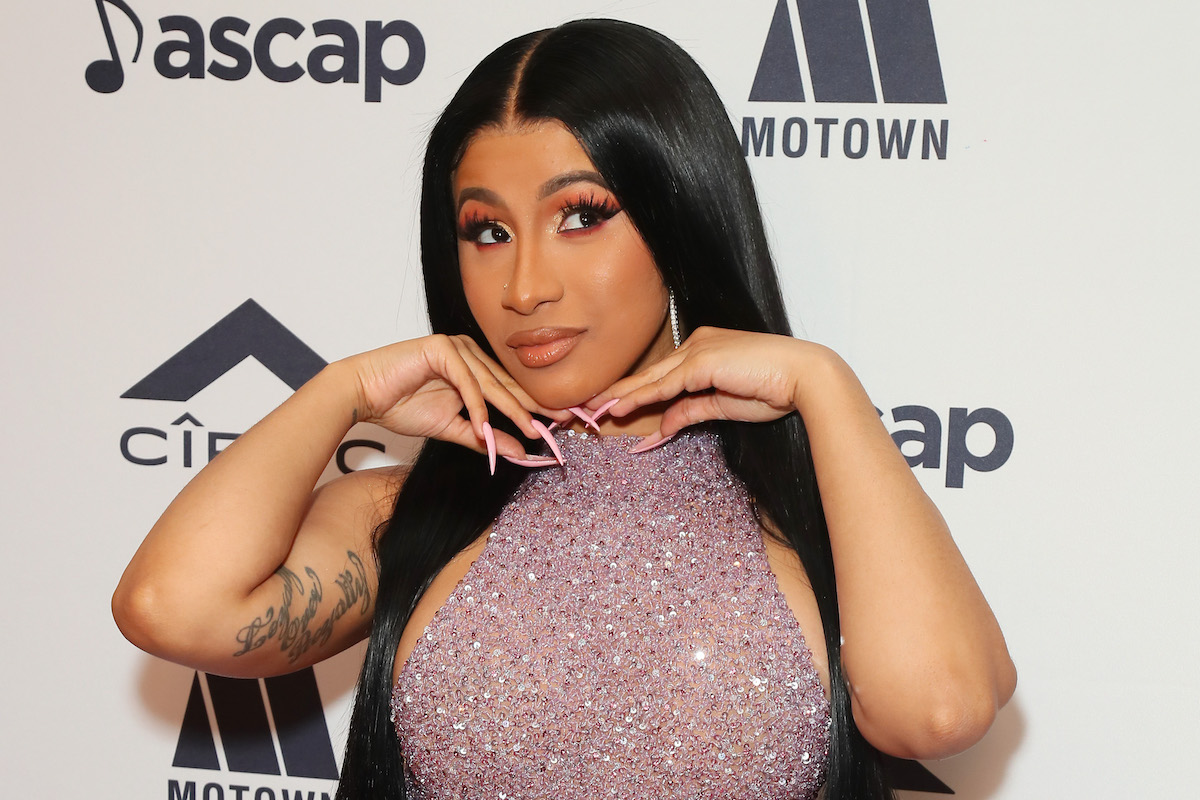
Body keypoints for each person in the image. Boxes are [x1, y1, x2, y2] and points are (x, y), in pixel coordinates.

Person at [113, 18, 1015, 800]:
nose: (525, 286)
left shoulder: (820, 514)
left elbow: (939, 712)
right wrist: (340, 392)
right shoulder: (404, 512)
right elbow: (170, 606)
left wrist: (825, 388)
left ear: (678, 217)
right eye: (487, 231)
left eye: (581, 216)